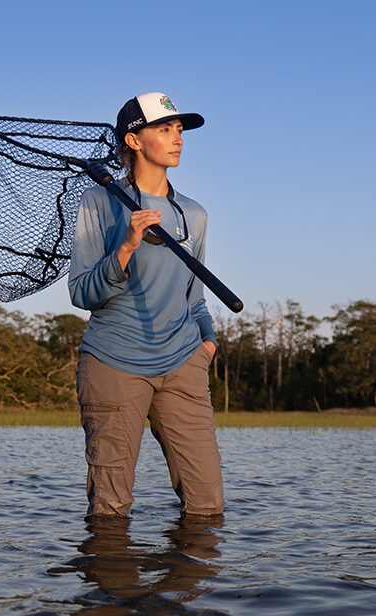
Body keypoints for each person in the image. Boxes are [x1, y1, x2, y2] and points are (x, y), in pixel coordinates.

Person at [68, 92, 223, 518]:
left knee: (208, 507)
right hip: (113, 364)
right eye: (164, 129)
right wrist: (127, 246)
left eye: (179, 130)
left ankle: (191, 585)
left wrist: (206, 345)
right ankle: (112, 584)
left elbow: (195, 295)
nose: (178, 139)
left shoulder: (195, 214)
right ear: (134, 141)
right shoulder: (100, 202)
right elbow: (82, 293)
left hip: (183, 365)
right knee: (111, 510)